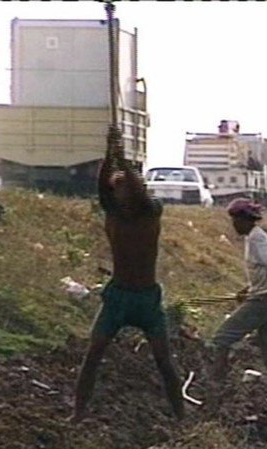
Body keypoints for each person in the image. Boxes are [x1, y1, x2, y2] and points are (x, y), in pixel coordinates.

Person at [72, 126, 185, 422]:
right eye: (117, 188)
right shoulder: (113, 213)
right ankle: (78, 414)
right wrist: (110, 153)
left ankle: (181, 418)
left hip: (147, 299)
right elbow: (102, 186)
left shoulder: (151, 210)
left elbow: (136, 188)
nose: (120, 192)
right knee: (93, 355)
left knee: (164, 361)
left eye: (125, 187)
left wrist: (121, 158)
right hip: (118, 296)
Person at [207, 198, 267, 385]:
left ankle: (216, 382)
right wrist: (247, 289)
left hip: (264, 299)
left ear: (245, 220)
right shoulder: (255, 237)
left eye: (235, 220)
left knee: (222, 337)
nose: (233, 225)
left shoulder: (256, 238)